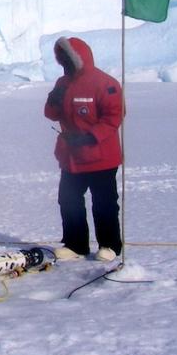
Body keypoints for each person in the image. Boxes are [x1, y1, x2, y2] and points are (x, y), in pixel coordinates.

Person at [44, 36, 124, 262]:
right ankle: (75, 245)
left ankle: (110, 245)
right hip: (71, 157)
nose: (63, 63)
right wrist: (54, 99)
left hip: (101, 157)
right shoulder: (62, 83)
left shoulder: (104, 83)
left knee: (104, 202)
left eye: (66, 58)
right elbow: (50, 114)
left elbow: (114, 116)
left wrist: (90, 137)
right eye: (60, 59)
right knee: (68, 199)